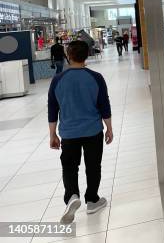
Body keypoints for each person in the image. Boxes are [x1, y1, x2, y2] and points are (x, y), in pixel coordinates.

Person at [48, 40, 113, 224]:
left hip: (68, 133)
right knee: (93, 165)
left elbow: (52, 108)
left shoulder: (58, 79)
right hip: (93, 130)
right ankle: (92, 200)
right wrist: (109, 127)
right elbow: (104, 105)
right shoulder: (96, 77)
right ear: (87, 56)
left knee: (69, 166)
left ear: (68, 55)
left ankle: (72, 196)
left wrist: (52, 134)